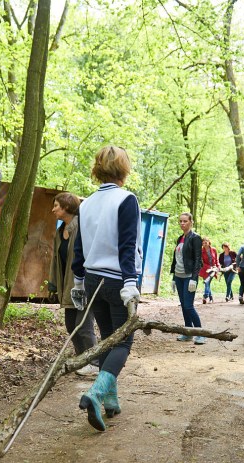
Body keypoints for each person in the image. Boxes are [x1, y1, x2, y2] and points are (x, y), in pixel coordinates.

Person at [71, 146, 143, 432]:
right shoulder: (126, 200)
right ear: (124, 169)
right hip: (116, 281)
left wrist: (78, 281)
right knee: (123, 341)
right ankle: (97, 392)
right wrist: (130, 282)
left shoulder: (85, 203)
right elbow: (127, 245)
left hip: (91, 279)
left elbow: (79, 247)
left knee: (107, 340)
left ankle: (110, 400)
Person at [49, 192, 99, 376]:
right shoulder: (60, 229)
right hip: (68, 285)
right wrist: (53, 283)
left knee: (84, 324)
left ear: (67, 207)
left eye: (56, 205)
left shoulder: (80, 227)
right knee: (71, 324)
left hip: (83, 283)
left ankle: (94, 362)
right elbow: (57, 260)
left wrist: (85, 281)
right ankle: (82, 359)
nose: (53, 209)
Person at [169, 212, 205, 345]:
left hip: (189, 276)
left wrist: (194, 278)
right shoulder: (180, 238)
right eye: (180, 221)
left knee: (189, 306)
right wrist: (173, 277)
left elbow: (197, 259)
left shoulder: (195, 238)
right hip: (179, 276)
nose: (182, 223)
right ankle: (188, 333)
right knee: (184, 306)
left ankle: (200, 333)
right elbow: (176, 259)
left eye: (185, 221)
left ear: (191, 222)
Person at [199, 238, 219, 304]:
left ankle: (205, 296)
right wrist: (209, 267)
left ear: (208, 242)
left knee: (207, 282)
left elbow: (216, 260)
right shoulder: (201, 251)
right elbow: (201, 262)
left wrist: (217, 267)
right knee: (207, 283)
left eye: (206, 242)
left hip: (213, 269)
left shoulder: (214, 250)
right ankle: (210, 297)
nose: (204, 243)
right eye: (203, 242)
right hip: (205, 269)